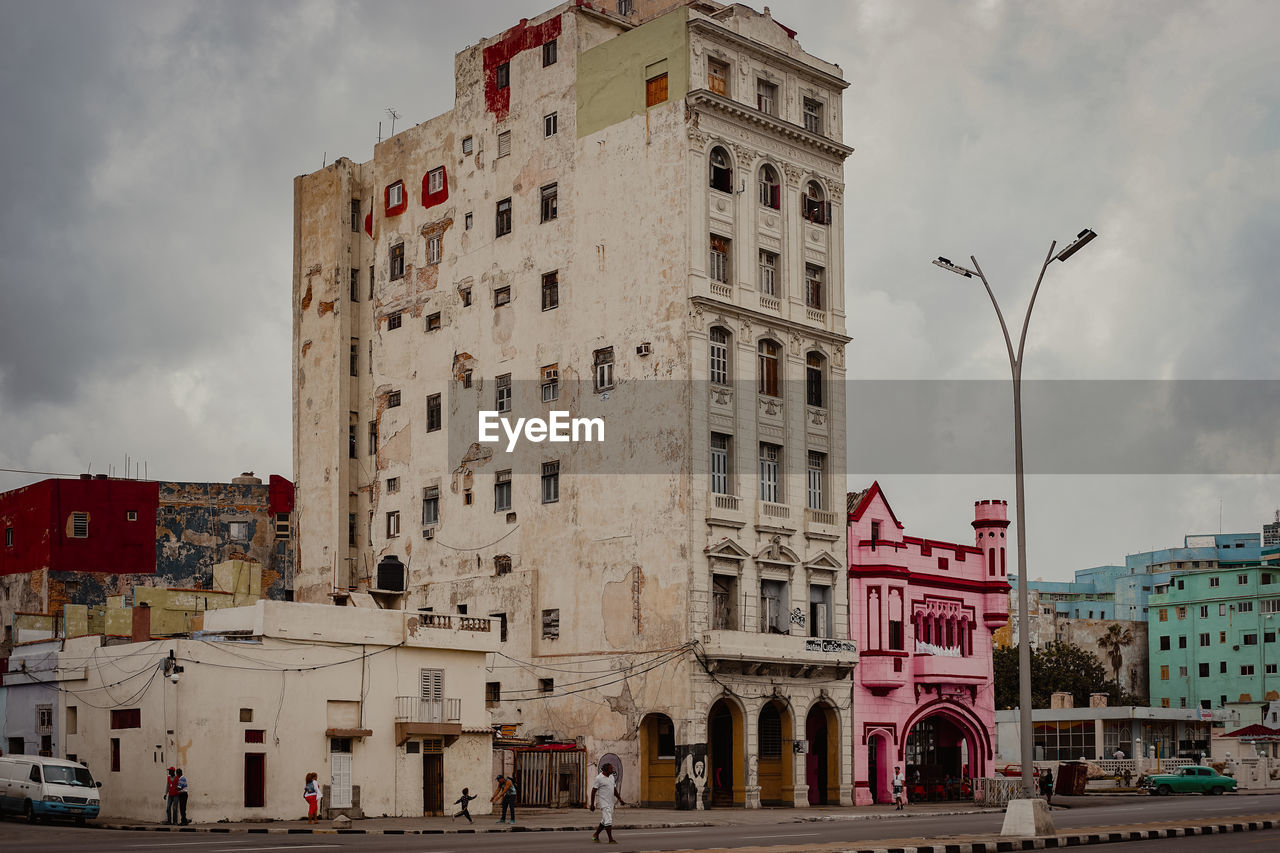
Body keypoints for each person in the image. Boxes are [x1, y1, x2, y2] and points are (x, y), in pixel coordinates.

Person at [590, 762, 627, 844]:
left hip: (611, 803)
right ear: (606, 770)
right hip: (603, 803)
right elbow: (593, 791)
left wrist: (620, 799)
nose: (612, 770)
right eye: (611, 768)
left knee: (604, 820)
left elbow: (614, 789)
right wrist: (592, 804)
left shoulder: (611, 777)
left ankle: (595, 835)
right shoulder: (599, 778)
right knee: (608, 820)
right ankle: (610, 839)